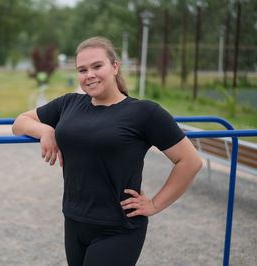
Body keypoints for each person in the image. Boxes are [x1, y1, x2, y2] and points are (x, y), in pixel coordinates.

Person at [12, 36, 202, 266]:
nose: (89, 75)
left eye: (97, 66)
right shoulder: (69, 104)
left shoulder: (144, 112)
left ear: (114, 67)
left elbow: (190, 161)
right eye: (82, 70)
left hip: (118, 228)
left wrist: (154, 204)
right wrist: (45, 131)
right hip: (74, 221)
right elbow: (20, 122)